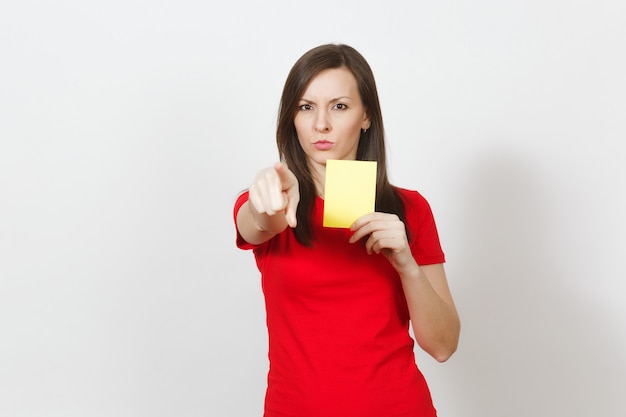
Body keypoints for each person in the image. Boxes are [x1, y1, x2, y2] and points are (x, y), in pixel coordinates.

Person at [233, 43, 460, 417]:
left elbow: (443, 346)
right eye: (306, 107)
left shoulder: (410, 209)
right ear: (292, 117)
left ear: (366, 115)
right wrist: (264, 196)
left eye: (339, 106)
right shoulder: (273, 200)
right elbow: (261, 222)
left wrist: (407, 265)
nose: (321, 123)